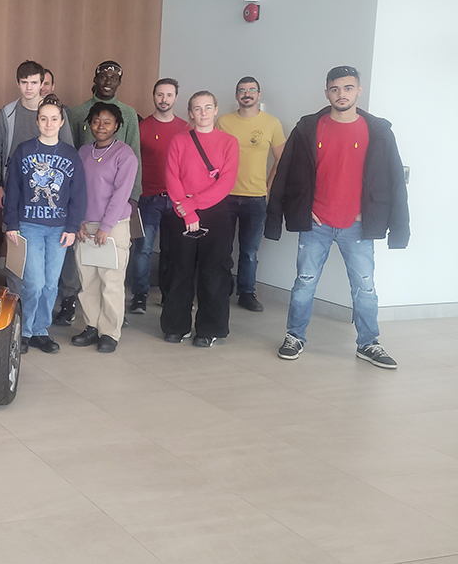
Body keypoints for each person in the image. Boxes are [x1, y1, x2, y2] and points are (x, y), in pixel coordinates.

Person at [266, 66, 409, 369]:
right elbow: (286, 173)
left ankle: (369, 343)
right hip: (317, 222)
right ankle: (295, 336)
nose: (341, 94)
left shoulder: (378, 131)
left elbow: (393, 178)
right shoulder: (308, 127)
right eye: (334, 89)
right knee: (304, 283)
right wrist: (293, 212)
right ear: (326, 92)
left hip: (357, 225)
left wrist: (395, 227)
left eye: (347, 88)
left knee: (365, 287)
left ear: (358, 91)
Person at [3, 95, 85, 354]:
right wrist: (11, 223)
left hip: (59, 229)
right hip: (30, 226)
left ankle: (41, 330)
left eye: (54, 119)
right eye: (43, 119)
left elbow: (79, 194)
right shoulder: (24, 151)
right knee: (34, 282)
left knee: (51, 283)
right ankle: (25, 330)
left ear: (61, 122)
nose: (49, 123)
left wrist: (72, 227)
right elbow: (13, 189)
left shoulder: (71, 154)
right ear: (37, 121)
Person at [160, 91, 239, 347]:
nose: (203, 113)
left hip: (215, 212)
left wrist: (193, 206)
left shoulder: (229, 142)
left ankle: (209, 328)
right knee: (178, 269)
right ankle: (176, 325)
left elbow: (226, 182)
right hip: (181, 211)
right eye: (197, 108)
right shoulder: (179, 141)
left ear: (216, 110)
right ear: (190, 113)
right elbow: (171, 176)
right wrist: (187, 211)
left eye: (207, 107)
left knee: (214, 272)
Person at [71, 103, 138, 353]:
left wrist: (106, 226)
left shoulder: (125, 154)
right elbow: (75, 190)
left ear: (117, 126)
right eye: (97, 121)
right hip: (85, 226)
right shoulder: (83, 152)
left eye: (107, 122)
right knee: (87, 280)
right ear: (90, 124)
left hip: (113, 227)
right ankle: (91, 326)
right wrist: (76, 220)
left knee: (111, 280)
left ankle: (110, 332)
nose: (101, 126)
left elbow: (122, 194)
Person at [217, 76, 286, 313]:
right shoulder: (223, 122)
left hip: (256, 198)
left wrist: (268, 187)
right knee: (221, 247)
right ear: (236, 96)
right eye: (242, 90)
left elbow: (281, 159)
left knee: (250, 251)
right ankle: (220, 289)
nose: (246, 94)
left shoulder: (272, 123)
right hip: (224, 197)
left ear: (259, 95)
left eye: (251, 90)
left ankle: (246, 293)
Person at [129, 78, 186, 314]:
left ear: (175, 98)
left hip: (177, 199)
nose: (164, 99)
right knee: (143, 249)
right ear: (153, 96)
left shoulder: (185, 128)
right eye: (160, 95)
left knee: (173, 249)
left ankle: (169, 293)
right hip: (147, 197)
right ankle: (140, 295)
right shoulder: (141, 127)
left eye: (169, 95)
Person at [0, 60, 73, 210]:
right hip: (14, 186)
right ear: (18, 83)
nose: (29, 87)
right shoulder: (6, 114)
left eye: (34, 82)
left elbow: (68, 151)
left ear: (42, 84)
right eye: (24, 82)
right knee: (13, 232)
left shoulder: (56, 112)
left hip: (48, 184)